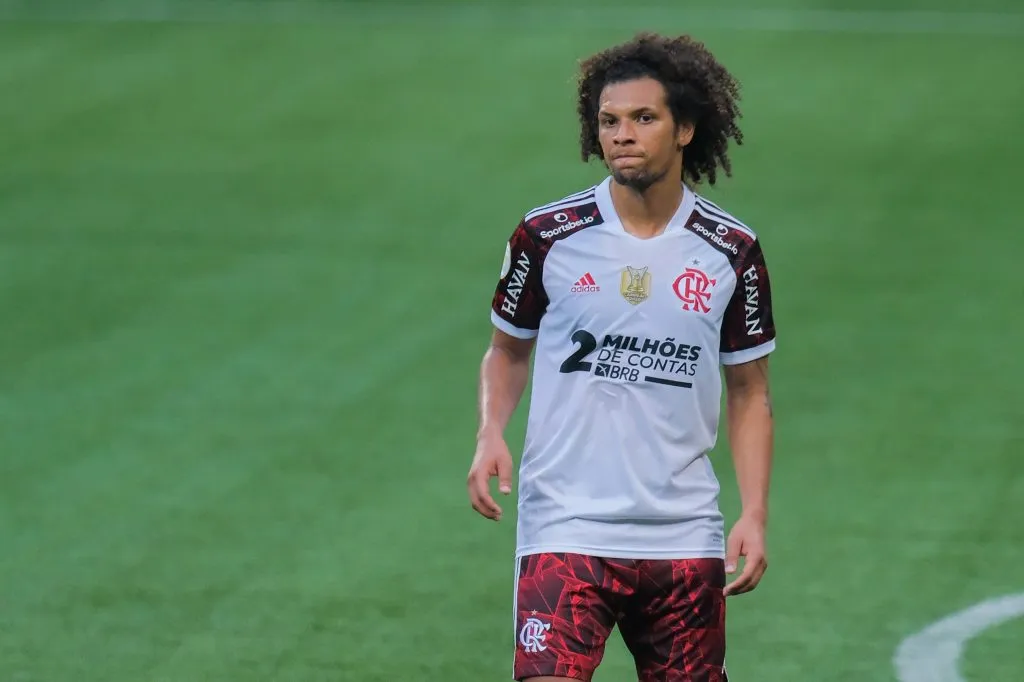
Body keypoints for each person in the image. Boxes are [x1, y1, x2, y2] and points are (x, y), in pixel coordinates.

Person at [468, 31, 776, 682]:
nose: (622, 135)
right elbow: (506, 351)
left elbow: (750, 391)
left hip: (683, 537)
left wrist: (753, 513)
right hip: (566, 526)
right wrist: (491, 430)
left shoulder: (731, 250)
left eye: (643, 118)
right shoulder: (547, 236)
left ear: (685, 128)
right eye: (609, 121)